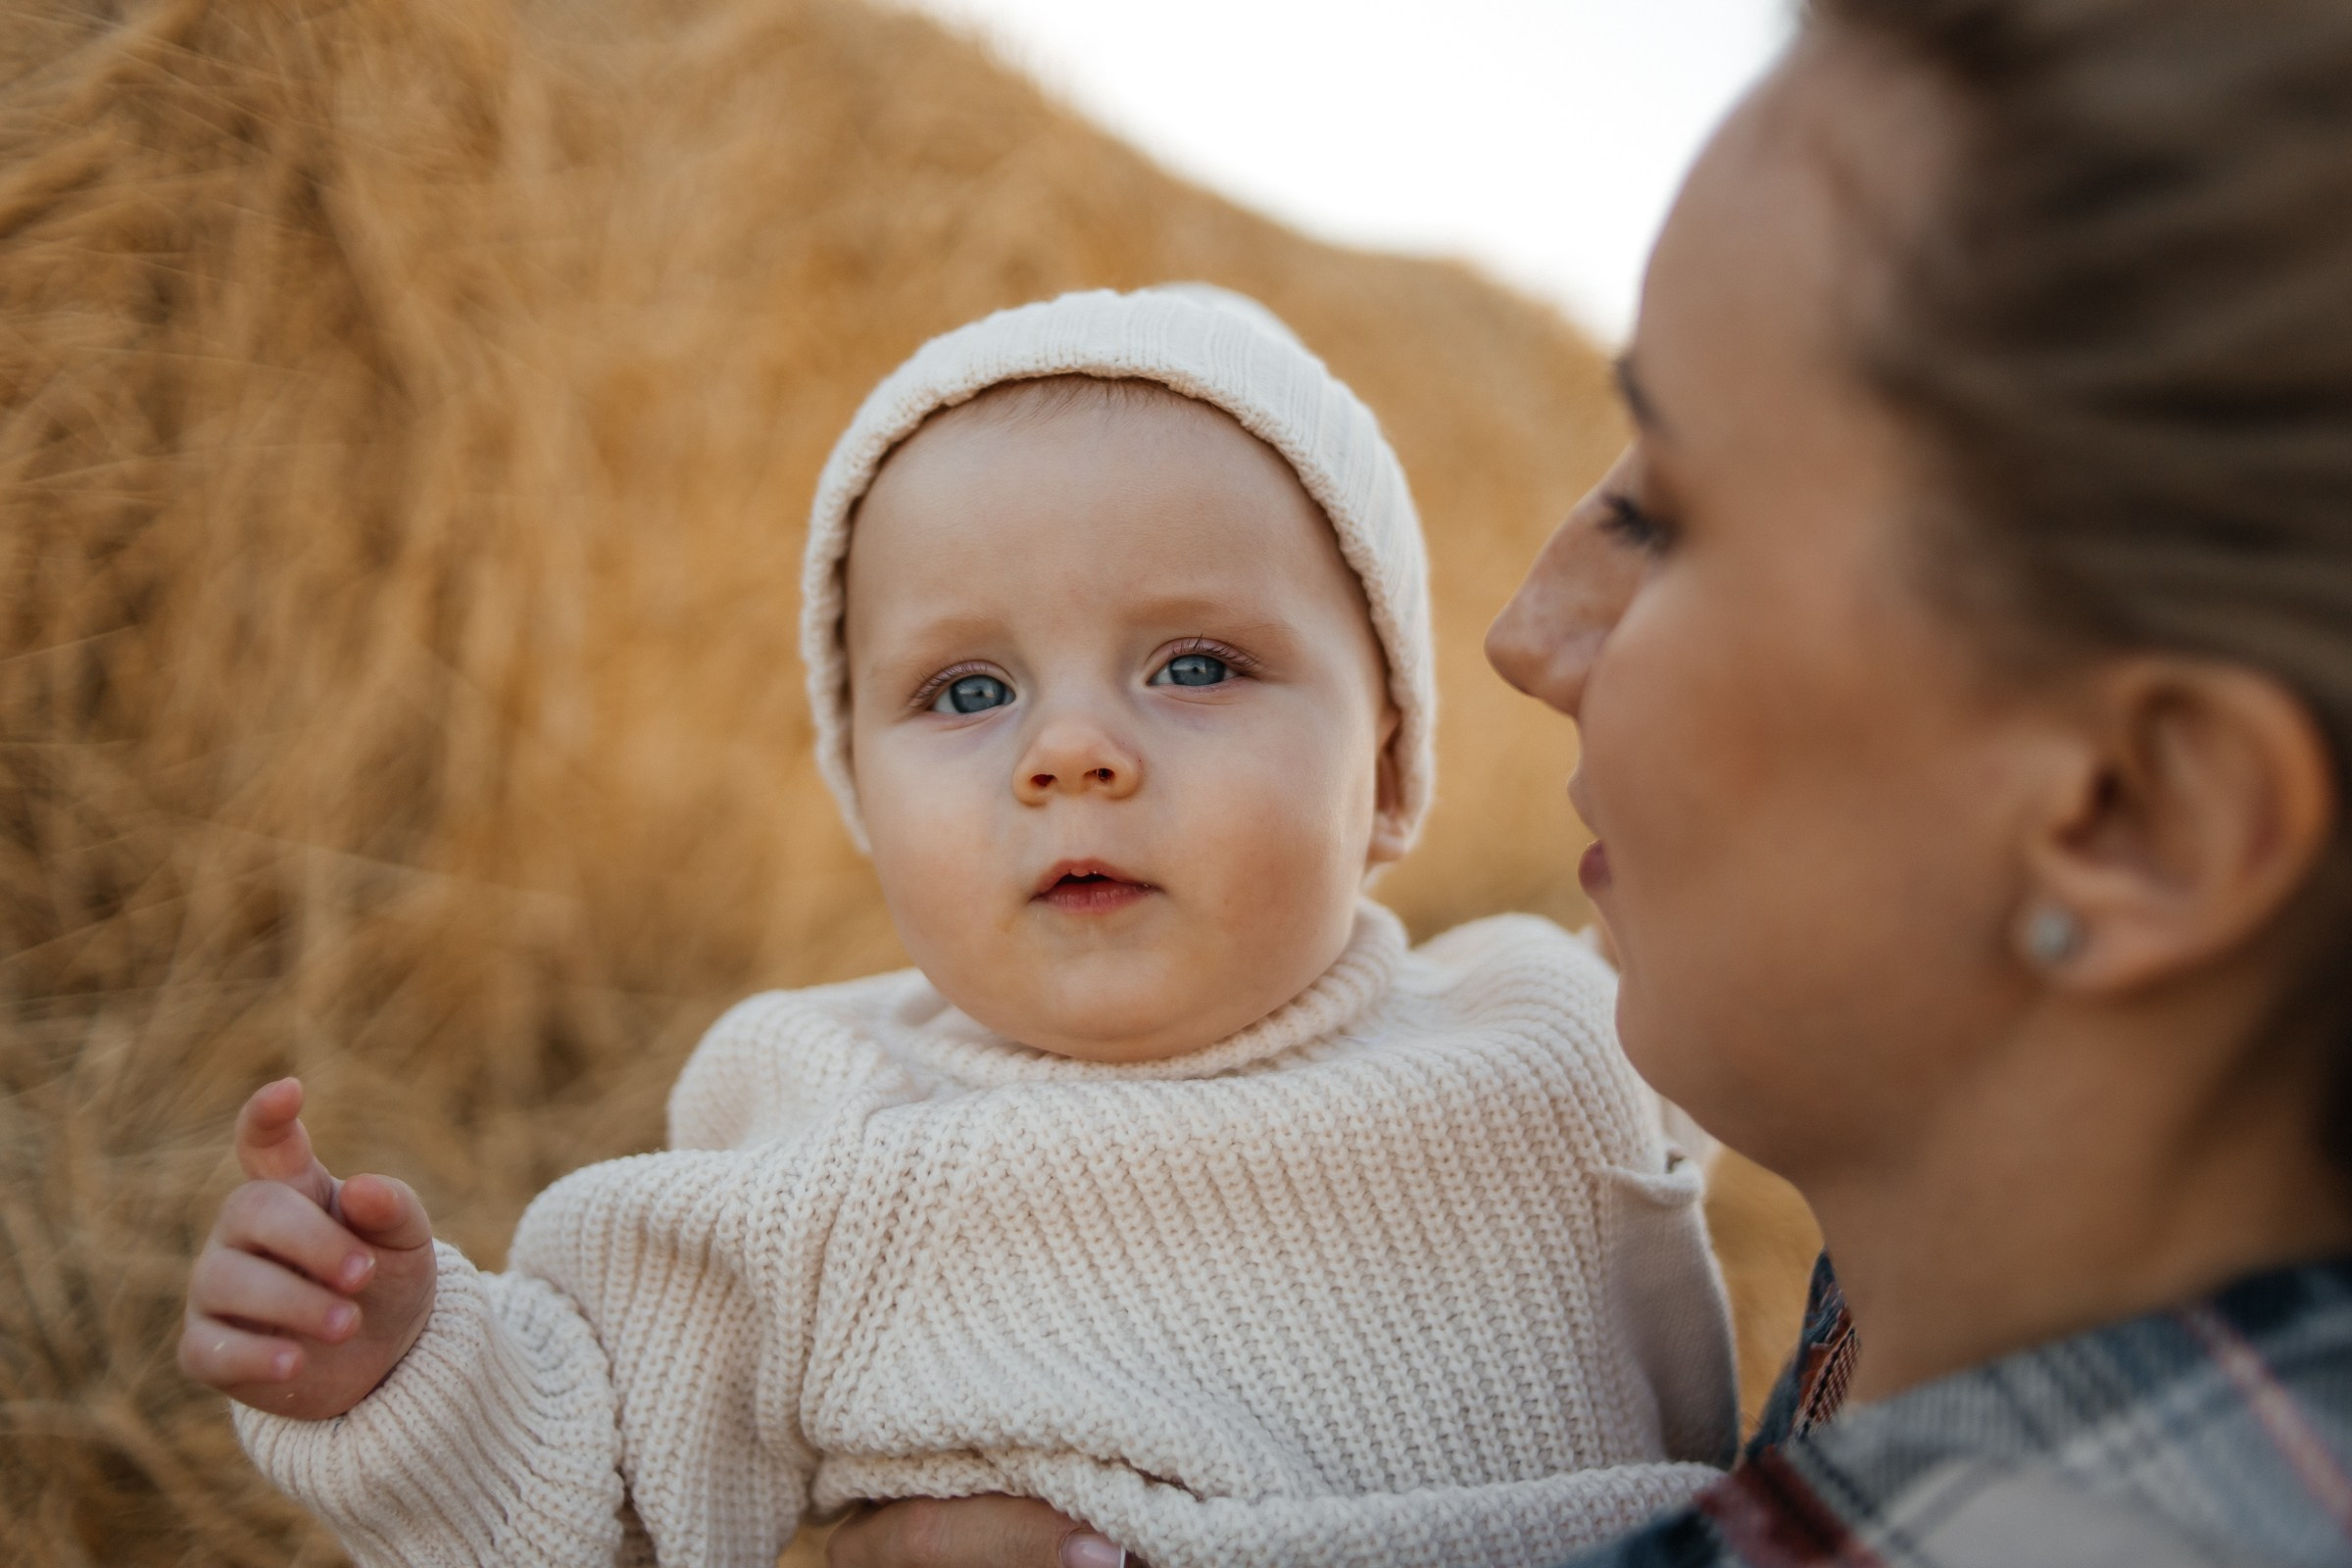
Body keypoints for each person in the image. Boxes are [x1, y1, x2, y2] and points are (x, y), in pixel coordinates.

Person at [821, 1, 2352, 1565]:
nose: (1523, 633)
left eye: (1667, 514)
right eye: (965, 690)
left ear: (2133, 815)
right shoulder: (1937, 1337)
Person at [178, 286, 1743, 1568]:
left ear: (1389, 769)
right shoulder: (828, 1127)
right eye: (968, 691)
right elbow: (595, 1478)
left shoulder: (1547, 1014)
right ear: (859, 794)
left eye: (1195, 666)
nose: (1070, 752)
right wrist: (405, 1370)